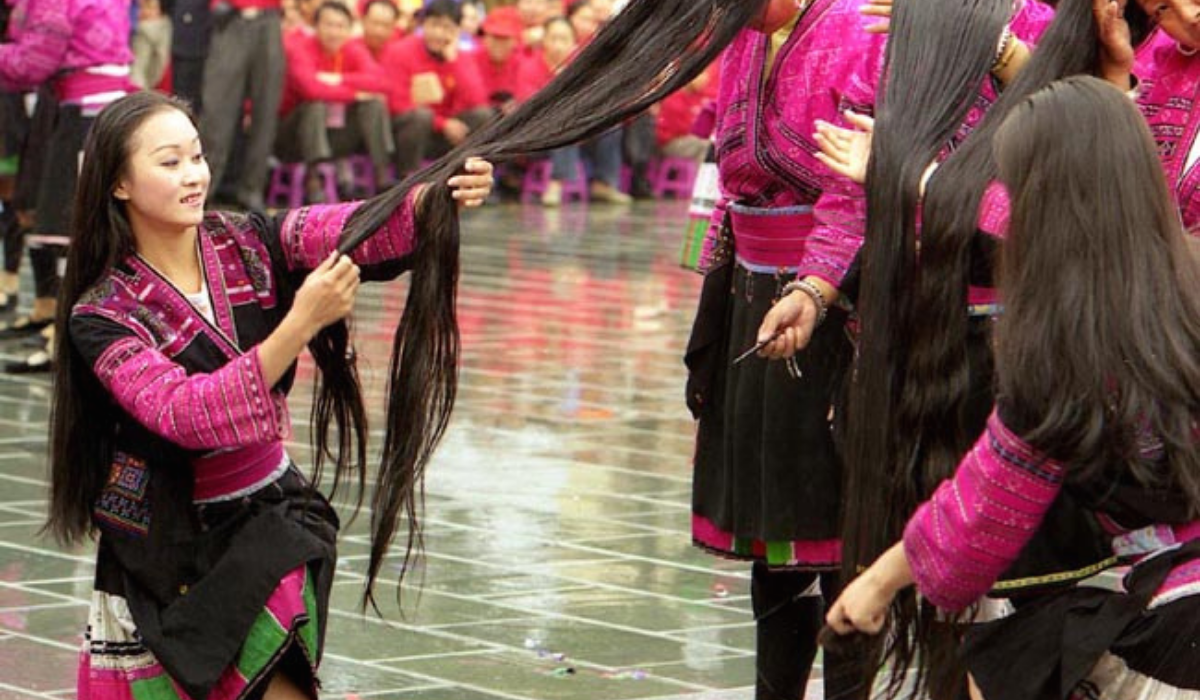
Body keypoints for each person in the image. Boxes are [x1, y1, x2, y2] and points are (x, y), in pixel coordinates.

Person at [49, 90, 494, 700]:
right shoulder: (102, 315)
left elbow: (346, 227)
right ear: (119, 184)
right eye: (169, 162)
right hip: (169, 546)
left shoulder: (245, 241)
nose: (193, 176)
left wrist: (431, 199)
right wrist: (297, 327)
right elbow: (183, 413)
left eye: (197, 157)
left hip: (269, 517)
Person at [827, 74, 1200, 700]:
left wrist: (879, 583)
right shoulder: (1188, 278)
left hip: (1176, 622)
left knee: (1013, 660)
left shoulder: (1064, 350)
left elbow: (985, 505)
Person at [681, 0, 886, 696]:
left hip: (840, 305)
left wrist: (818, 286)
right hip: (750, 300)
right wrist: (709, 312)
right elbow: (722, 179)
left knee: (841, 531)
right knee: (776, 534)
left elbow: (855, 191)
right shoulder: (739, 37)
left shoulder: (859, 29)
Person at [0, 0, 135, 373]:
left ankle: (68, 338)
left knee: (68, 230)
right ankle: (64, 331)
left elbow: (32, 63)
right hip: (95, 104)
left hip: (85, 110)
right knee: (71, 228)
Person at [277, 0, 394, 200]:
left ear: (349, 30)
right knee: (315, 105)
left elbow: (381, 82)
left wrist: (339, 79)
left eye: (340, 26)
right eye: (329, 25)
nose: (334, 32)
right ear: (316, 26)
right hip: (294, 137)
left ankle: (382, 175)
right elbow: (311, 90)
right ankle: (313, 178)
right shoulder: (300, 48)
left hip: (336, 136)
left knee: (374, 103)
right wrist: (354, 93)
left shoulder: (351, 49)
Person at [516, 16, 630, 205]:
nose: (558, 45)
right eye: (553, 38)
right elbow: (529, 108)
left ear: (573, 43)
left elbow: (592, 100)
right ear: (544, 40)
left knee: (610, 124)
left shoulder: (579, 67)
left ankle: (604, 183)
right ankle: (556, 183)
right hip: (537, 136)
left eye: (564, 39)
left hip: (579, 132)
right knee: (563, 119)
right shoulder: (529, 67)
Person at [381, 0, 491, 178]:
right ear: (423, 24)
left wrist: (455, 62)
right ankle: (408, 179)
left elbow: (478, 101)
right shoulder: (400, 51)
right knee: (420, 117)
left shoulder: (460, 58)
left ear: (457, 31)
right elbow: (397, 104)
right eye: (434, 25)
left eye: (447, 28)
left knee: (482, 116)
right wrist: (442, 123)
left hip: (445, 135)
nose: (439, 33)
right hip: (409, 132)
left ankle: (466, 178)